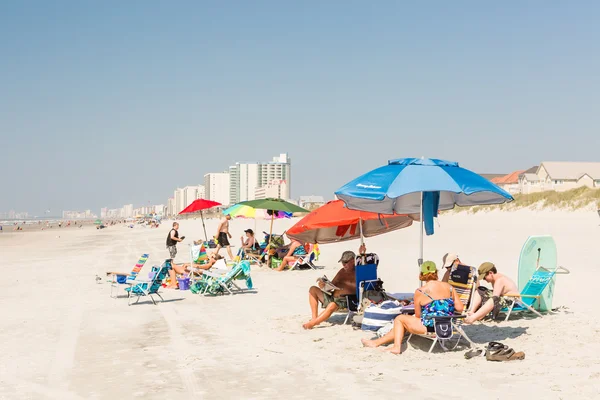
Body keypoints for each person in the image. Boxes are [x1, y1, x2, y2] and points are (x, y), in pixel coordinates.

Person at [361, 261, 464, 354]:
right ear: (436, 273)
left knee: (400, 319)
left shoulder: (420, 291)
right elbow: (460, 308)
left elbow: (418, 316)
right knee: (403, 323)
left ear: (422, 274)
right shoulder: (449, 287)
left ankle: (396, 347)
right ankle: (376, 343)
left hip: (430, 326)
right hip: (447, 325)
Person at [302, 248, 362, 329]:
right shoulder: (342, 271)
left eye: (346, 262)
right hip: (332, 297)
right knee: (313, 289)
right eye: (342, 262)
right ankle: (314, 318)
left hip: (345, 301)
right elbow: (332, 285)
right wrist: (323, 285)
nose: (343, 264)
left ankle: (313, 323)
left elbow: (365, 264)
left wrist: (362, 252)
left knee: (332, 305)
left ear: (353, 261)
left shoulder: (358, 272)